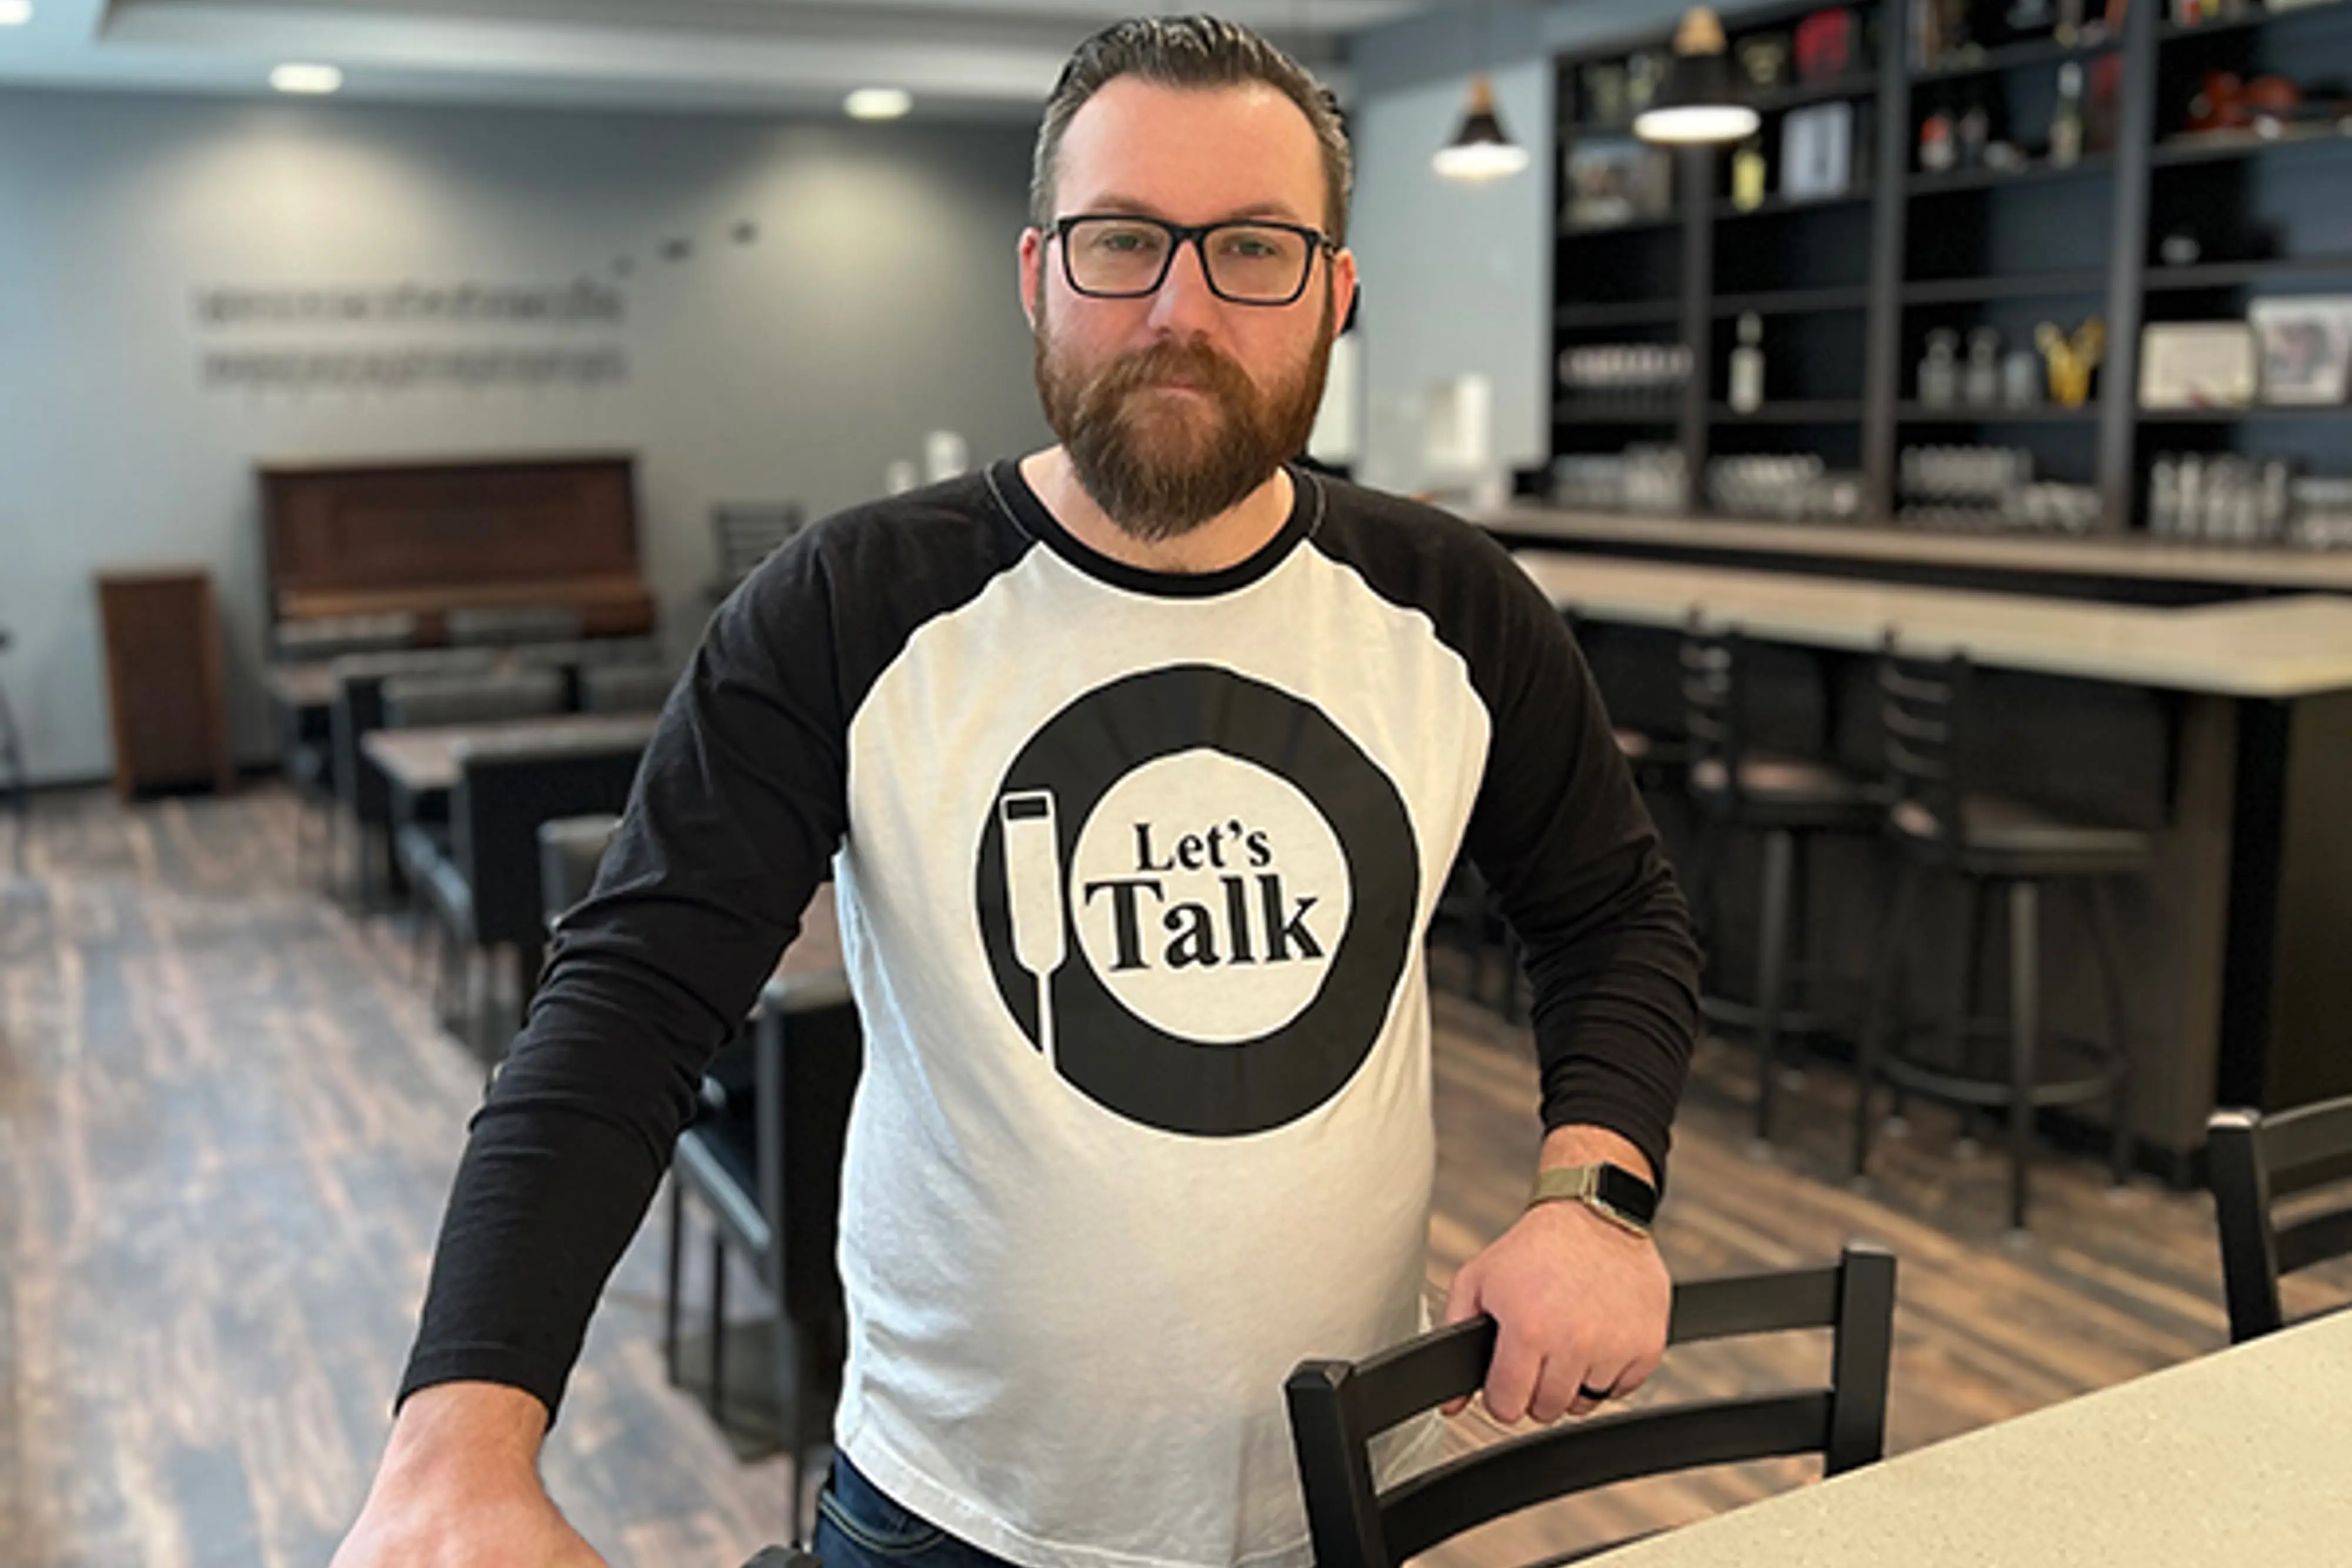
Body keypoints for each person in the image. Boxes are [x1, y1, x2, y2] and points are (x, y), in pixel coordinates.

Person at [330, 16, 1699, 1568]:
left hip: (1345, 1495)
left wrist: (1593, 1196)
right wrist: (456, 1444)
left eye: (1255, 249)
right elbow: (628, 1007)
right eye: (1124, 242)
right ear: (1039, 274)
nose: (1181, 310)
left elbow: (1614, 918)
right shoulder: (846, 609)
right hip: (949, 1515)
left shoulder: (1456, 605)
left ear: (1337, 293)